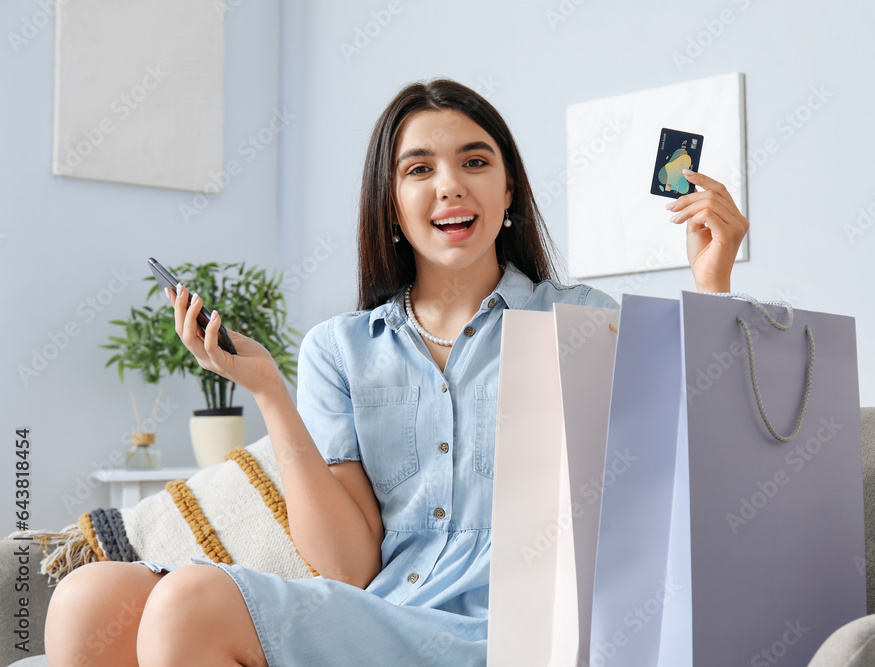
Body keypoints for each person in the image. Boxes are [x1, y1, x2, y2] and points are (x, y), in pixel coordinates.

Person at [44, 78, 748, 666]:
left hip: (520, 630)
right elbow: (347, 567)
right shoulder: (338, 348)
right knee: (89, 599)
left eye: (475, 162)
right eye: (419, 169)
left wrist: (710, 283)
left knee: (190, 602)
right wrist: (269, 392)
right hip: (381, 616)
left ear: (509, 195)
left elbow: (688, 469)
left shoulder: (583, 318)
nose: (451, 186)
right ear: (391, 206)